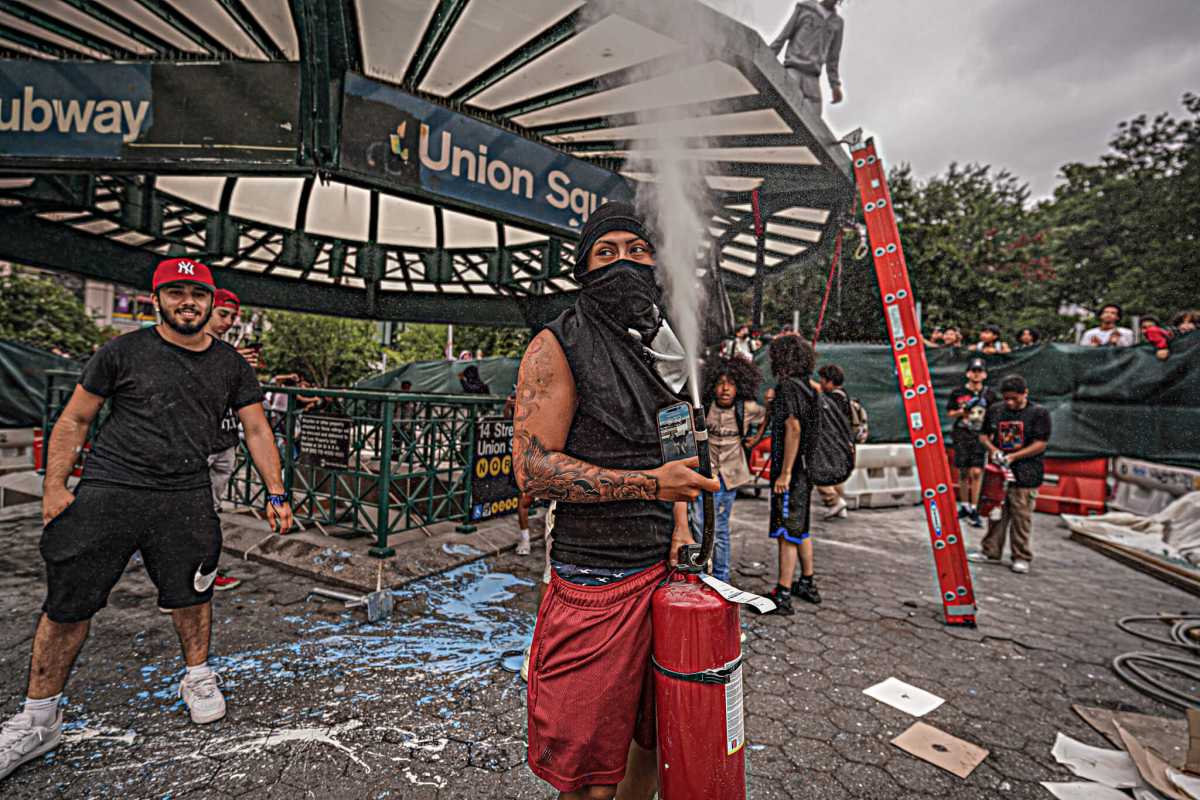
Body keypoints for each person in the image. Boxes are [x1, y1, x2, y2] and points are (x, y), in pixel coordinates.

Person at [0, 258, 293, 784]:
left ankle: (198, 676)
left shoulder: (231, 364)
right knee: (68, 601)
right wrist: (53, 486)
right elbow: (76, 417)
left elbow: (256, 429)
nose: (188, 303)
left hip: (185, 494)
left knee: (192, 593)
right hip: (110, 490)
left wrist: (276, 491)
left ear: (210, 303)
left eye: (197, 294)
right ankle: (39, 717)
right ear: (156, 299)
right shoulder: (122, 351)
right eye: (176, 292)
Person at [513, 201, 718, 800]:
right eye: (606, 252)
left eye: (637, 249)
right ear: (583, 268)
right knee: (586, 775)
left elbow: (675, 455)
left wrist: (680, 522)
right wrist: (653, 486)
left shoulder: (665, 347)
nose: (623, 261)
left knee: (651, 745)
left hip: (665, 573)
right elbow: (533, 470)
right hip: (594, 578)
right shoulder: (557, 344)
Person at [761, 333, 822, 613]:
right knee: (801, 529)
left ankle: (782, 593)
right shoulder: (810, 387)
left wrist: (784, 473)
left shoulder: (788, 387)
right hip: (807, 471)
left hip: (792, 473)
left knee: (786, 531)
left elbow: (793, 428)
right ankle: (807, 582)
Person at [691, 357, 766, 581]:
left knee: (720, 528)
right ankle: (703, 572)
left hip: (730, 475)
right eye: (720, 382)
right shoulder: (704, 408)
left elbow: (767, 414)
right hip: (705, 473)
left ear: (739, 386)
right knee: (699, 524)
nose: (725, 389)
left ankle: (721, 578)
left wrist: (755, 438)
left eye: (731, 383)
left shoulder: (748, 408)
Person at [969, 374, 1051, 574]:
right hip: (999, 472)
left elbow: (1040, 444)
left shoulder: (1038, 413)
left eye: (1015, 398)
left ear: (1025, 394)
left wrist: (1014, 457)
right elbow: (983, 436)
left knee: (1021, 517)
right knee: (995, 512)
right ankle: (991, 551)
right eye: (1007, 398)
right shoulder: (996, 410)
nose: (1010, 403)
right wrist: (993, 450)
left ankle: (1021, 556)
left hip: (1026, 474)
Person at [205, 288, 247, 592]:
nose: (229, 322)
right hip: (200, 445)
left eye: (232, 316)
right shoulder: (195, 350)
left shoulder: (227, 352)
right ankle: (188, 577)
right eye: (223, 314)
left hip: (225, 440)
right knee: (197, 513)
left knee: (212, 511)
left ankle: (204, 570)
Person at [769, 0, 845, 116]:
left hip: (813, 80)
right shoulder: (805, 7)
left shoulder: (837, 23)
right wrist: (767, 56)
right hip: (792, 71)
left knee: (813, 123)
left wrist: (835, 86)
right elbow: (784, 35)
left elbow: (833, 59)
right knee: (781, 111)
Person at [946, 358, 998, 528]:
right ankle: (965, 505)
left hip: (980, 435)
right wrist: (963, 411)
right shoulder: (958, 392)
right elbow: (950, 413)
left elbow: (995, 414)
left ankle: (975, 507)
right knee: (963, 471)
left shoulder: (990, 394)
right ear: (968, 373)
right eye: (973, 371)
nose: (976, 374)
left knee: (976, 471)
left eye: (979, 371)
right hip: (962, 433)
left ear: (984, 374)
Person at [815, 363, 855, 520]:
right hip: (842, 443)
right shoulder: (843, 395)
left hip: (832, 442)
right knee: (836, 473)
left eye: (822, 381)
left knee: (820, 472)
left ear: (830, 382)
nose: (821, 384)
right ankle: (840, 505)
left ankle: (834, 501)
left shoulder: (835, 398)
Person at [504, 390, 535, 556]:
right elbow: (507, 417)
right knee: (524, 500)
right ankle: (525, 539)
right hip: (522, 459)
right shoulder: (519, 406)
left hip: (539, 458)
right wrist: (509, 406)